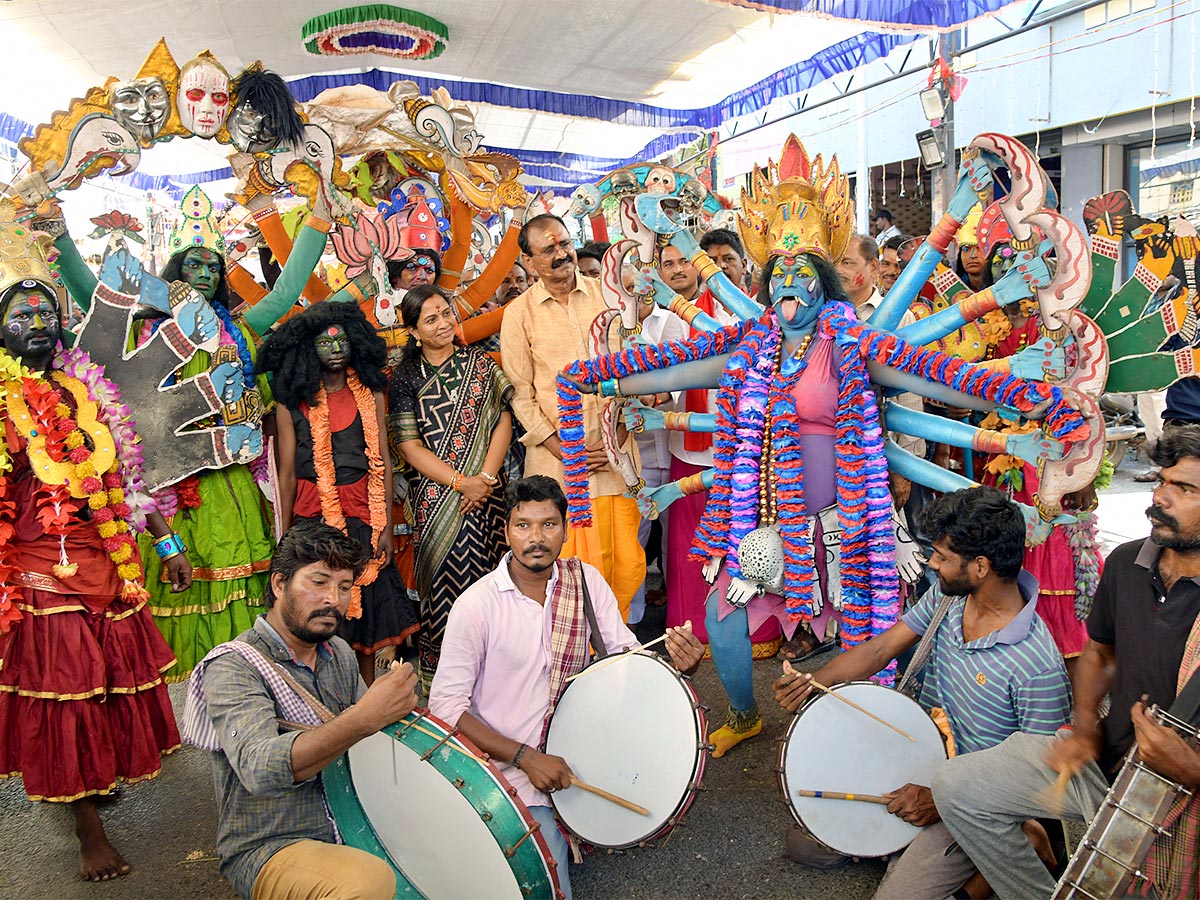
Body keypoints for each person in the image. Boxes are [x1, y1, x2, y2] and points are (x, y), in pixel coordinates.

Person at [44, 182, 340, 682]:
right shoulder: (142, 332)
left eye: (212, 268)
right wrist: (59, 233)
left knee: (240, 581)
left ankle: (242, 682)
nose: (203, 275)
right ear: (171, 276)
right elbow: (89, 297)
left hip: (231, 477)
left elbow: (288, 291)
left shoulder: (240, 329)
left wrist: (320, 218)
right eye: (192, 266)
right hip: (161, 485)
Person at [0, 207, 193, 881]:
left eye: (45, 312)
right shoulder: (1, 401)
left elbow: (125, 479)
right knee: (66, 692)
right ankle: (87, 831)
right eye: (19, 316)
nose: (36, 324)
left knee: (103, 687)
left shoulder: (86, 388)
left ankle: (90, 781)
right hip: (34, 567)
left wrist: (167, 546)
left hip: (107, 557)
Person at [932, 425, 1200, 900]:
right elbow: (1099, 650)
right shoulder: (1125, 562)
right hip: (1103, 768)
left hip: (1178, 794)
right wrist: (1083, 726)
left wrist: (1191, 769)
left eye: (1185, 489)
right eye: (1162, 481)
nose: (1161, 497)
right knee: (955, 787)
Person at [773, 486, 1070, 897]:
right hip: (922, 759)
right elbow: (880, 648)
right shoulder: (950, 598)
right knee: (805, 844)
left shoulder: (1036, 665)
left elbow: (1042, 782)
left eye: (943, 557)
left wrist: (940, 799)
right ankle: (908, 851)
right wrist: (814, 682)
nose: (931, 563)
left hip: (975, 800)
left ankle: (1024, 846)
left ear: (981, 566)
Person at [428, 476, 705, 899]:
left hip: (578, 751)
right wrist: (525, 758)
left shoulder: (585, 581)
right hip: (508, 768)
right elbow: (445, 707)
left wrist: (677, 666)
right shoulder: (476, 605)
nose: (536, 538)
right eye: (523, 525)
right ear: (506, 531)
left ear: (566, 526)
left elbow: (625, 660)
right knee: (545, 885)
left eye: (548, 524)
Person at [184, 521, 420, 900]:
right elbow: (260, 770)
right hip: (273, 845)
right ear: (279, 585)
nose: (333, 599)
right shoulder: (234, 665)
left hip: (355, 821)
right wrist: (364, 718)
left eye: (344, 587)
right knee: (367, 882)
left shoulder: (339, 653)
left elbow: (369, 752)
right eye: (319, 582)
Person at [256, 302, 419, 685]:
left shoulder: (371, 394)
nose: (335, 349)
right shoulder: (290, 401)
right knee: (324, 612)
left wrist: (385, 527)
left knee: (367, 620)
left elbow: (382, 458)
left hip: (365, 511)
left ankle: (366, 707)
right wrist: (284, 535)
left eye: (342, 340)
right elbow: (287, 472)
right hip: (313, 515)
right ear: (307, 349)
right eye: (325, 343)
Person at [500, 214, 645, 621]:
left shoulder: (611, 296)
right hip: (558, 467)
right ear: (529, 262)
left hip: (616, 461)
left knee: (625, 565)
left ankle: (615, 652)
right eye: (548, 250)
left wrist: (613, 436)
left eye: (564, 243)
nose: (562, 254)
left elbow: (634, 371)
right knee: (562, 571)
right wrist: (565, 449)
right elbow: (522, 395)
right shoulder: (519, 314)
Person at [390, 284, 514, 689]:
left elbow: (503, 421)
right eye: (431, 319)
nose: (443, 323)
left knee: (496, 580)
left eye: (446, 313)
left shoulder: (481, 365)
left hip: (490, 495)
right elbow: (408, 446)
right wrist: (462, 483)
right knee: (445, 586)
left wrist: (486, 480)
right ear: (413, 331)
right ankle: (449, 687)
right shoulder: (405, 377)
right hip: (436, 498)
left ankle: (503, 677)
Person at [701, 228, 749, 293]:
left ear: (743, 266)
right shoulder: (693, 303)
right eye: (712, 261)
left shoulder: (752, 303)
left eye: (728, 259)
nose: (721, 266)